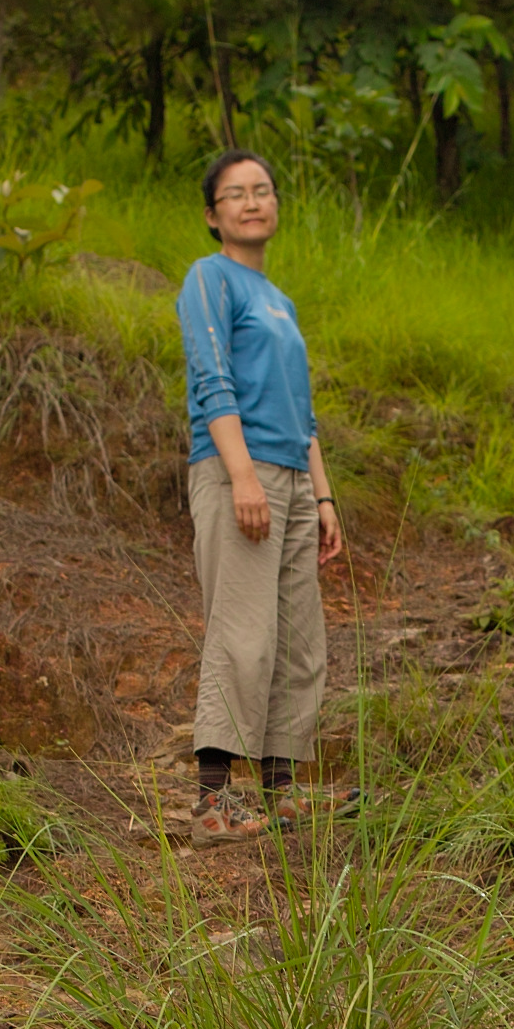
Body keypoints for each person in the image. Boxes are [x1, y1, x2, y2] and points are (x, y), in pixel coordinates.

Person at [176, 148, 349, 845]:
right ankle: (213, 804)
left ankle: (281, 793)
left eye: (263, 190)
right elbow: (211, 378)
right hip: (237, 474)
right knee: (243, 634)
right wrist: (243, 475)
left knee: (299, 639)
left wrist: (323, 498)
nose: (252, 202)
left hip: (295, 481)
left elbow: (302, 412)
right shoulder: (209, 278)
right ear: (212, 214)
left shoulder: (280, 301)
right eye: (236, 194)